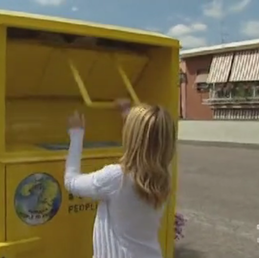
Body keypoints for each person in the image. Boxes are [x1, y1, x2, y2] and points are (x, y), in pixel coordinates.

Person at [64, 99, 176, 258]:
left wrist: (76, 134)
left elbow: (71, 181)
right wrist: (127, 113)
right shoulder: (163, 177)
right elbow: (150, 139)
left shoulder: (116, 178)